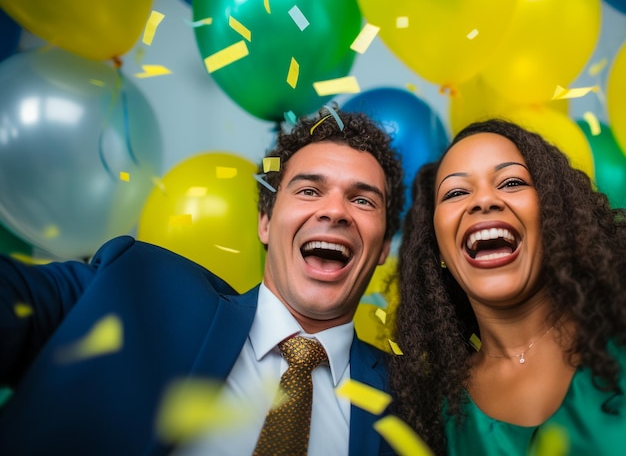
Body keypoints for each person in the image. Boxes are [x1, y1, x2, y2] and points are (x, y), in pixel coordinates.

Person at [0, 106, 404, 456]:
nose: (335, 211)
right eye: (309, 190)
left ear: (384, 245)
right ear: (265, 222)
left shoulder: (412, 399)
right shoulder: (135, 288)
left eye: (362, 199)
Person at [389, 118, 626, 456]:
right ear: (436, 248)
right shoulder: (435, 414)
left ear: (554, 217)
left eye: (512, 182)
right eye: (456, 192)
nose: (484, 200)